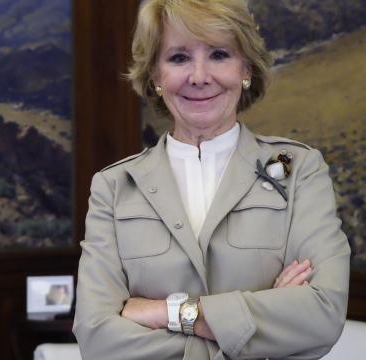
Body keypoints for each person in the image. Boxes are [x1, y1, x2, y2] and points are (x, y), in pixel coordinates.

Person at [73, 0, 350, 359]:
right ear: (156, 76)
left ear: (245, 69)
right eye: (178, 58)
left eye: (219, 55)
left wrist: (166, 312)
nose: (200, 76)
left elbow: (321, 315)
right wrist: (261, 326)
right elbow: (97, 339)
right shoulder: (113, 186)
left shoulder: (301, 170)